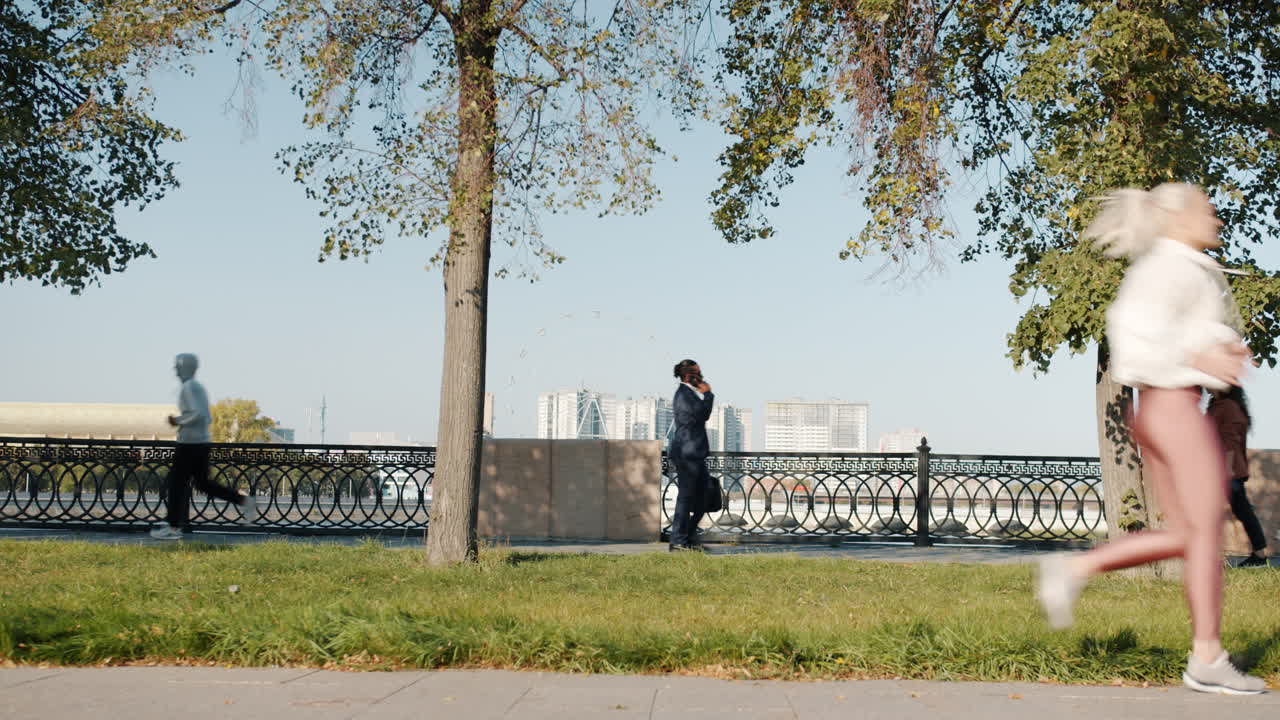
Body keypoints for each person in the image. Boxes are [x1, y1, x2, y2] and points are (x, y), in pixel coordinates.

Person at [1036, 183, 1265, 695]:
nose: (1218, 220)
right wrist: (1198, 358)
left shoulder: (1188, 266)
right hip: (1170, 404)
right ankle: (1205, 656)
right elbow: (1130, 335)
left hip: (1172, 406)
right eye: (1208, 211)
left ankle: (1077, 570)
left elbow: (1188, 333)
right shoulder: (1170, 266)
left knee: (1193, 535)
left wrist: (1220, 352)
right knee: (1205, 530)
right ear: (1178, 218)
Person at [151, 354, 259, 540]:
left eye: (177, 366)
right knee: (204, 484)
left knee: (176, 485)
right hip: (201, 443)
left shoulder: (189, 387)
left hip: (188, 444)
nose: (175, 370)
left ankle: (173, 527)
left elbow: (198, 414)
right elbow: (206, 416)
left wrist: (177, 420)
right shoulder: (198, 387)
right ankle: (243, 500)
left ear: (185, 367)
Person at [1208, 386, 1269, 568]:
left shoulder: (1229, 407)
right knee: (1242, 510)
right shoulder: (1217, 405)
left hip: (1227, 471)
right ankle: (1259, 555)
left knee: (1239, 511)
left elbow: (1230, 442)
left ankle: (1259, 556)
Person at [668, 359, 714, 552]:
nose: (701, 376)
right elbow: (702, 415)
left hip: (694, 452)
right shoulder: (683, 395)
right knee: (686, 497)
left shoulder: (688, 394)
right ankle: (678, 541)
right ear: (689, 375)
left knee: (705, 494)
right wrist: (708, 394)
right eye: (698, 373)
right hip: (688, 453)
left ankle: (687, 535)